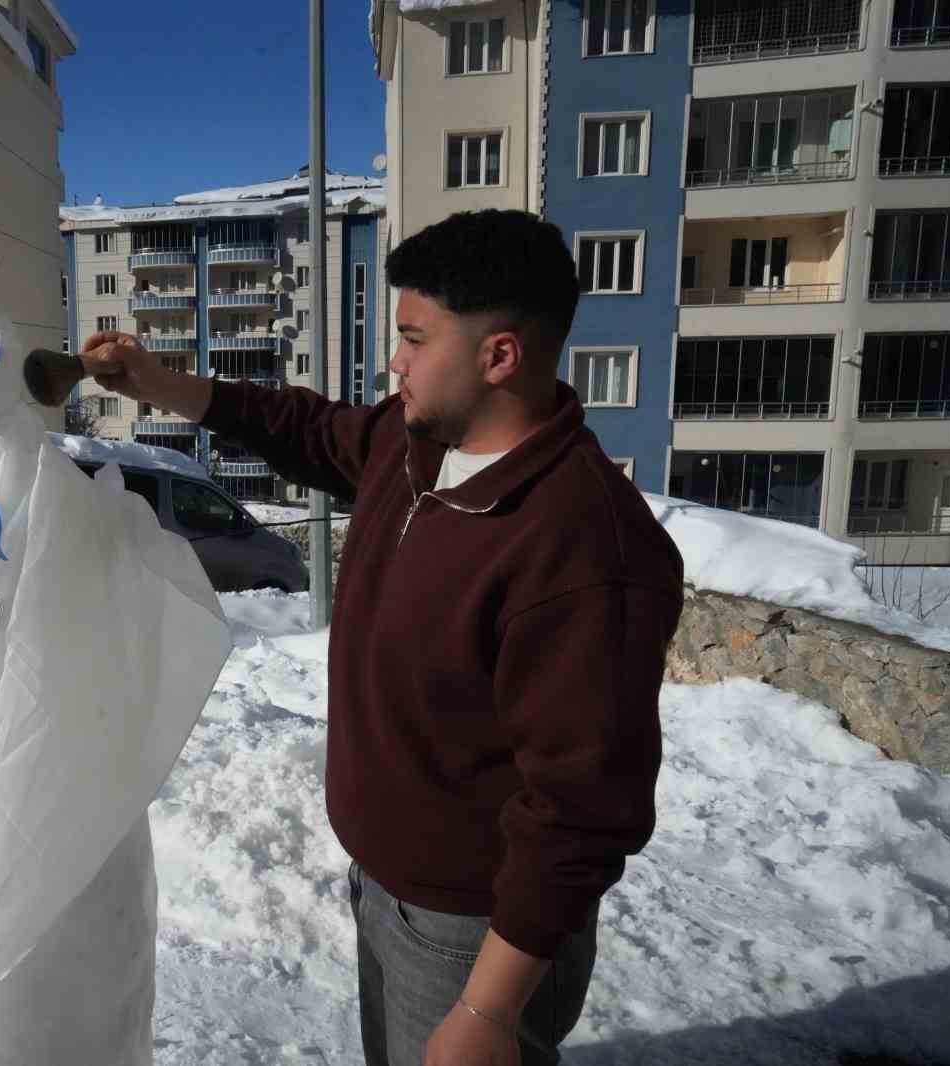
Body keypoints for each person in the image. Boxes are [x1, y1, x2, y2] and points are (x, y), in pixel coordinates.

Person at [78, 209, 685, 1066]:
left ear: (499, 355)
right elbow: (305, 429)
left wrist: (487, 1012)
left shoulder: (585, 552)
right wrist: (160, 385)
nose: (392, 361)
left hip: (474, 932)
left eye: (413, 337)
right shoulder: (420, 446)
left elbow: (583, 813)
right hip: (390, 890)